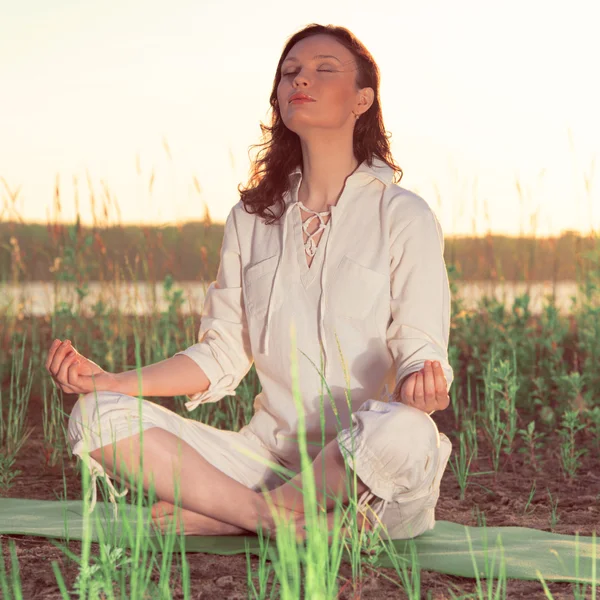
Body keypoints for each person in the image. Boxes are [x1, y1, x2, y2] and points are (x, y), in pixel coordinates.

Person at [46, 24, 453, 543]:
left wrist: (423, 378)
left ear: (362, 100)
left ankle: (235, 515)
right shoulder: (252, 218)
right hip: (262, 459)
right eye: (290, 73)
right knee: (96, 416)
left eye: (324, 69)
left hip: (368, 468)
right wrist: (113, 381)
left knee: (407, 432)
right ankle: (270, 519)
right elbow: (220, 355)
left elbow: (421, 350)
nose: (301, 79)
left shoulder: (403, 215)